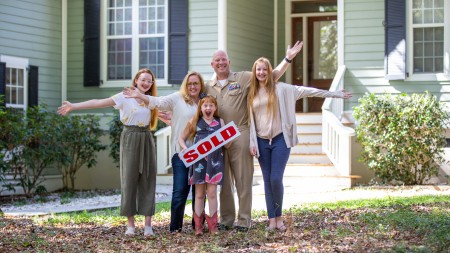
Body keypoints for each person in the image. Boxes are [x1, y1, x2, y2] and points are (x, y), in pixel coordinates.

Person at [205, 41, 304, 231]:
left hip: (240, 131)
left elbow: (270, 76)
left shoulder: (242, 78)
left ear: (229, 62)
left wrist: (288, 59)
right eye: (217, 60)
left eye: (223, 60)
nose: (221, 63)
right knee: (224, 180)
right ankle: (226, 219)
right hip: (218, 136)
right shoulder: (208, 87)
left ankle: (243, 220)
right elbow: (195, 103)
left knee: (243, 178)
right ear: (212, 65)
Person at [248, 57, 352, 231]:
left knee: (275, 178)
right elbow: (250, 121)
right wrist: (252, 142)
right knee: (267, 180)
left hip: (281, 139)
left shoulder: (282, 89)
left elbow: (308, 91)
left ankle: (279, 218)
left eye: (264, 69)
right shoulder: (251, 92)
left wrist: (334, 94)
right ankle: (271, 219)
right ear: (255, 72)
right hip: (261, 141)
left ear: (270, 71)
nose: (261, 73)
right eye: (258, 69)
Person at [57, 68, 158, 237]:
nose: (146, 82)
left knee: (148, 179)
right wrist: (74, 106)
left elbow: (163, 112)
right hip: (130, 137)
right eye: (143, 79)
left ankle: (148, 226)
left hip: (146, 137)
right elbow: (99, 102)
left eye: (149, 80)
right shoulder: (124, 97)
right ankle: (131, 225)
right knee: (129, 179)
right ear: (136, 81)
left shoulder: (150, 100)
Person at [123, 71, 206, 233]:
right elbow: (158, 102)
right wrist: (141, 96)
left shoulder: (206, 102)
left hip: (202, 153)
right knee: (180, 191)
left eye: (196, 83)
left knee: (200, 192)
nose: (193, 87)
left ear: (201, 85)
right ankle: (175, 228)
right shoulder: (177, 98)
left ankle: (199, 225)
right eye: (189, 84)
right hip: (181, 152)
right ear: (185, 85)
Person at [178, 95, 230, 235]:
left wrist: (229, 137)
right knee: (199, 194)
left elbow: (228, 144)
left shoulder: (220, 122)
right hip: (199, 163)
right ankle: (198, 226)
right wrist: (185, 149)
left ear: (215, 108)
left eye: (211, 105)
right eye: (205, 105)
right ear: (200, 108)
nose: (208, 108)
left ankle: (213, 225)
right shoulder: (195, 121)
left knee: (212, 193)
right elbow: (181, 138)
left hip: (215, 162)